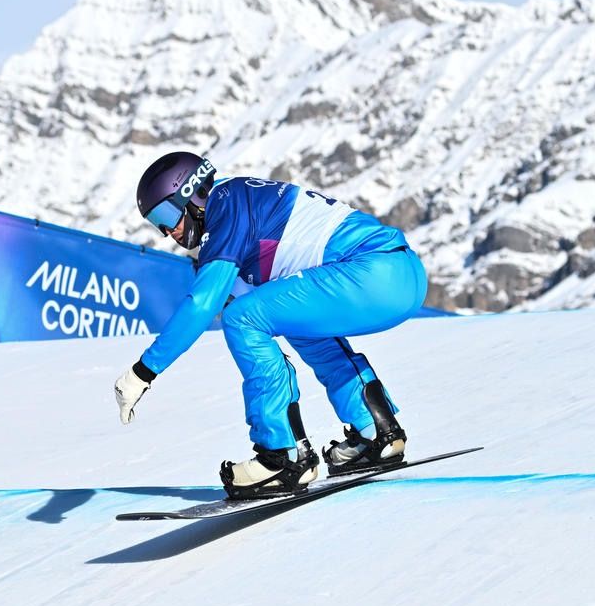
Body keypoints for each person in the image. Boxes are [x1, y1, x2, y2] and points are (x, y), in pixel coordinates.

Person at [113, 151, 430, 499]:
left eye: (167, 214)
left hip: (372, 272)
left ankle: (282, 456)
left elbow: (202, 304)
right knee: (293, 320)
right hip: (403, 275)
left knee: (242, 318)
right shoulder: (240, 205)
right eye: (156, 222)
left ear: (193, 194)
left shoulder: (225, 202)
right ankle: (376, 429)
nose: (167, 231)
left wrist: (143, 371)